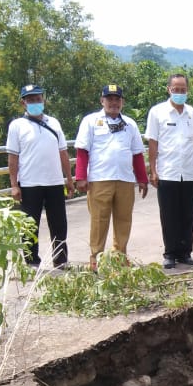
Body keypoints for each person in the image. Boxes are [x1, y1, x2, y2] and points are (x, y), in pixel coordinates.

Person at [74, 84, 148, 270]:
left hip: (125, 179)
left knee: (124, 219)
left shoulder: (130, 124)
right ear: (102, 100)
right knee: (99, 220)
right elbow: (82, 150)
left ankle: (119, 256)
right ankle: (95, 258)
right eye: (109, 99)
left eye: (117, 99)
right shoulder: (91, 121)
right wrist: (80, 176)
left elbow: (137, 154)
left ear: (122, 102)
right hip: (100, 178)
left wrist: (142, 179)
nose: (113, 103)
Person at [6, 84, 74, 269]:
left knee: (59, 223)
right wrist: (14, 185)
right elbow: (13, 158)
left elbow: (63, 153)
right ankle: (31, 261)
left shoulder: (54, 123)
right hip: (29, 183)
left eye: (38, 98)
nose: (35, 102)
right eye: (30, 100)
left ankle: (61, 260)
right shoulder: (17, 126)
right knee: (30, 225)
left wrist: (69, 179)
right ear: (23, 103)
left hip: (54, 182)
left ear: (43, 100)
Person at [146, 73, 193, 268]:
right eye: (176, 89)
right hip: (167, 172)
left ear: (187, 90)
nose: (179, 93)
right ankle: (170, 253)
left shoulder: (192, 113)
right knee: (169, 215)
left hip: (189, 172)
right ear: (169, 89)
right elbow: (153, 144)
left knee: (188, 214)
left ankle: (185, 252)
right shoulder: (157, 112)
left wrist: (182, 157)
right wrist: (153, 170)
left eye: (183, 90)